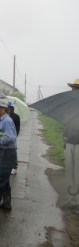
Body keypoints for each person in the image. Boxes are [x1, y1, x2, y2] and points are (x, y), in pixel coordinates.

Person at [61, 78, 79, 214]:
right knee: (70, 173)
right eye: (72, 88)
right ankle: (71, 200)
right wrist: (65, 137)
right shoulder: (71, 107)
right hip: (70, 143)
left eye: (75, 88)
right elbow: (66, 124)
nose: (72, 91)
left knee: (78, 174)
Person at [7, 102, 21, 175]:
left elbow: (18, 127)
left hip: (13, 137)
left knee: (13, 152)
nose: (8, 109)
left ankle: (14, 167)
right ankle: (9, 166)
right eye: (7, 107)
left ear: (12, 109)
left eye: (10, 108)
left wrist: (15, 135)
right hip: (6, 137)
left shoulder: (16, 117)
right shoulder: (5, 117)